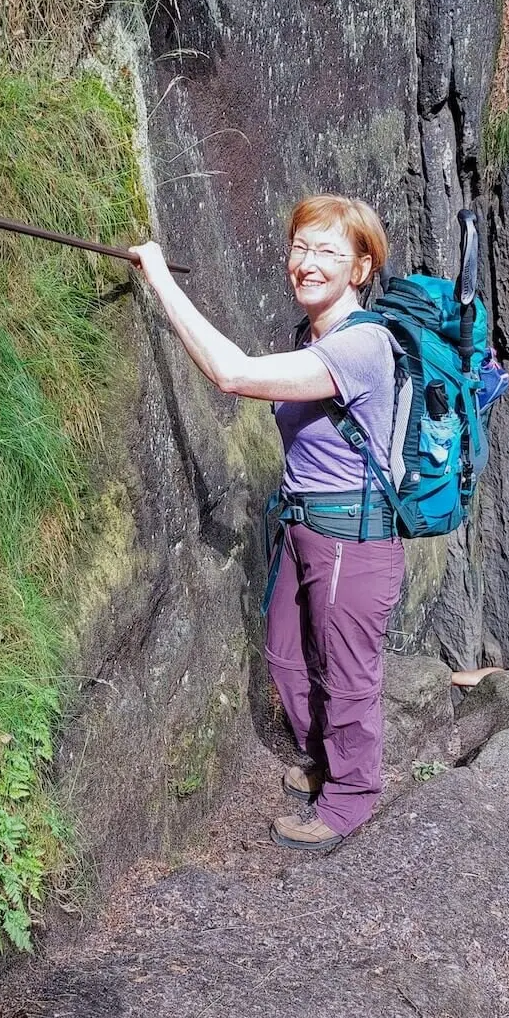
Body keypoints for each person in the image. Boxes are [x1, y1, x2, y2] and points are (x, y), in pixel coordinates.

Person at [130, 194, 404, 853]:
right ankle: (326, 759)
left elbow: (234, 375)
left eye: (329, 253)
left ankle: (350, 800)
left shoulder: (362, 345)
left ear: (361, 270)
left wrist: (159, 277)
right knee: (286, 656)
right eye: (301, 248)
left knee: (346, 674)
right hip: (306, 528)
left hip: (353, 538)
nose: (308, 264)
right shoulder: (313, 335)